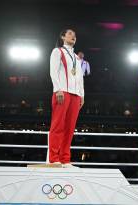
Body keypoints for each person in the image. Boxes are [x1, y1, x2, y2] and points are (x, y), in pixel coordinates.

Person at [49, 29, 84, 168]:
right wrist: (57, 89)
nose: (73, 36)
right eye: (70, 34)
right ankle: (54, 158)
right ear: (62, 36)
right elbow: (53, 71)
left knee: (70, 128)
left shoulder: (77, 57)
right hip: (62, 92)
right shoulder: (57, 51)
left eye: (75, 35)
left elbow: (80, 77)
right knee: (58, 126)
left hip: (75, 95)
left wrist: (82, 94)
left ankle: (65, 159)